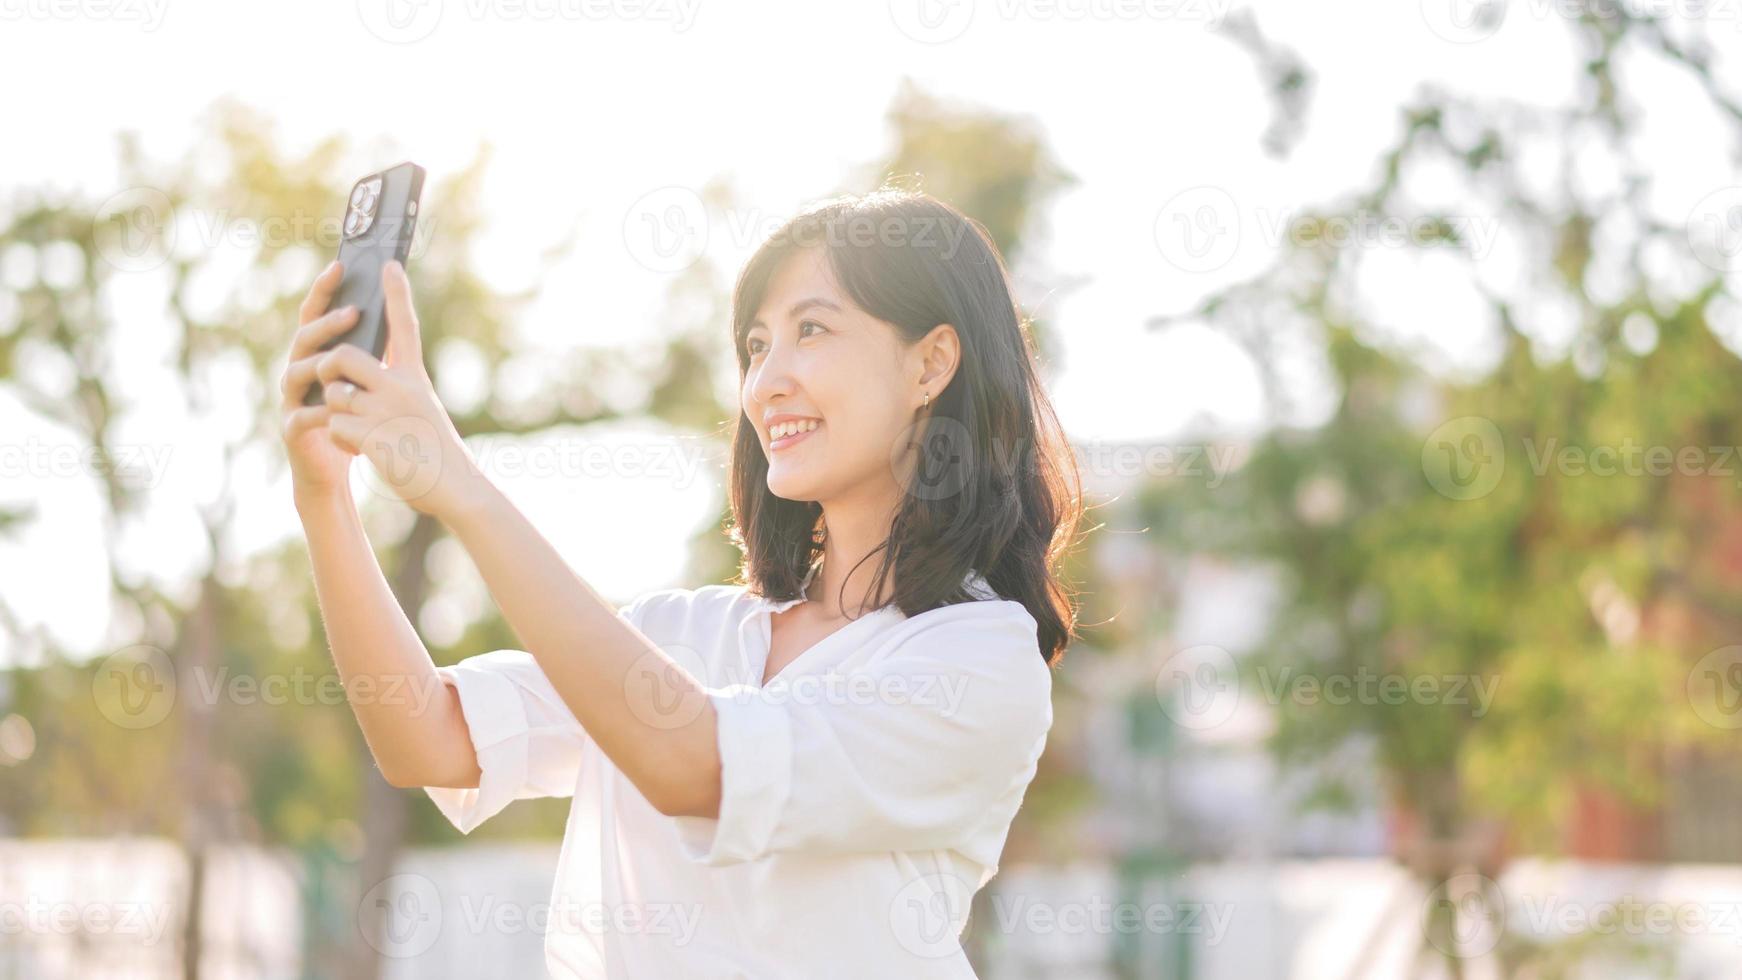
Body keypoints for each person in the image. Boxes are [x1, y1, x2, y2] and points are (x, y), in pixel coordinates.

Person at [280, 187, 1083, 978]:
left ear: (932, 362)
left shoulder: (977, 660)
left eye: (811, 330)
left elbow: (696, 766)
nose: (766, 382)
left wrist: (462, 487)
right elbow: (426, 738)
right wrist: (323, 494)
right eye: (757, 345)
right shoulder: (683, 632)